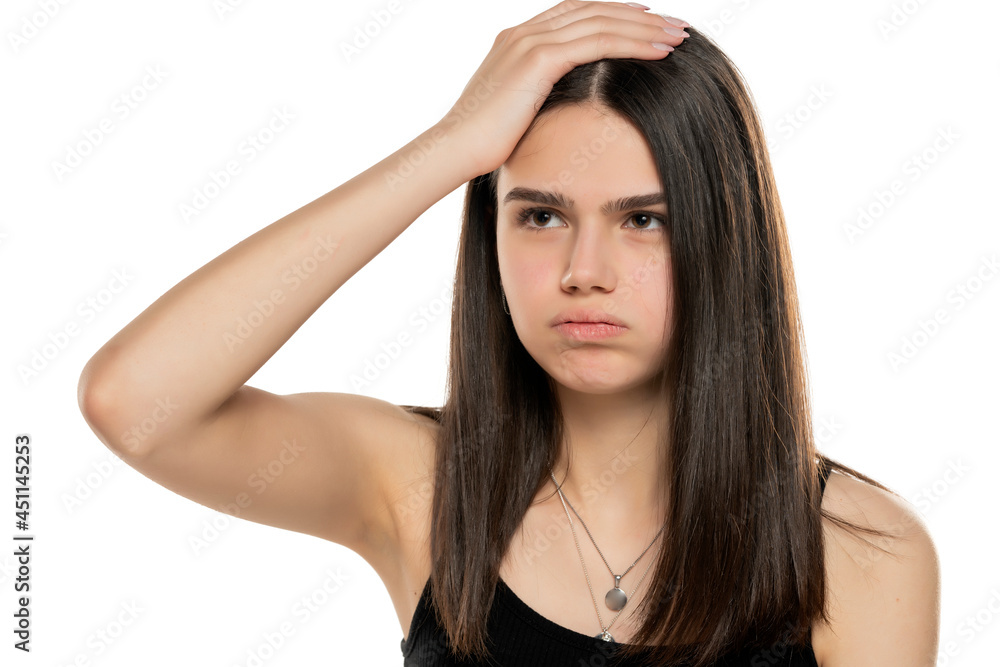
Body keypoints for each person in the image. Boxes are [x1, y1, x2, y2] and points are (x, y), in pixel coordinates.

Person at [77, 2, 940, 665]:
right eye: (539, 215)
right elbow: (136, 402)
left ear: (725, 236)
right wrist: (455, 145)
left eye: (644, 219)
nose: (583, 268)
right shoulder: (418, 483)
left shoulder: (858, 549)